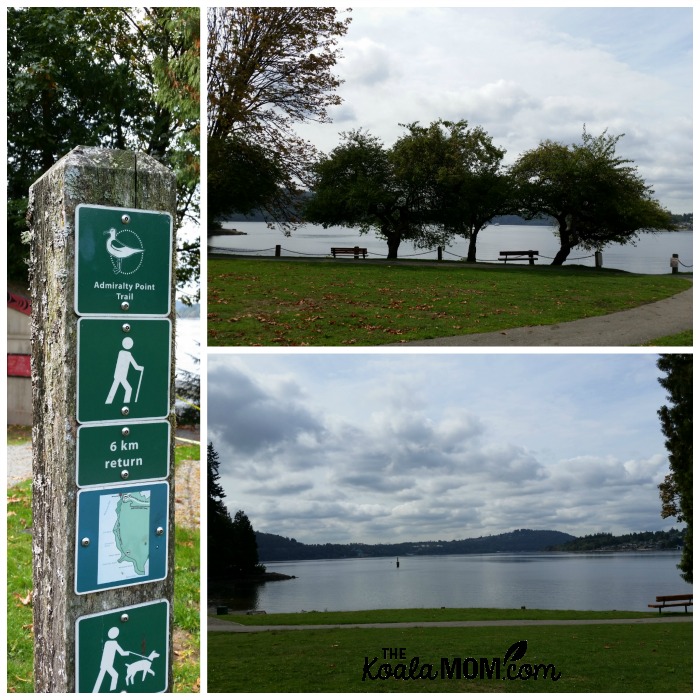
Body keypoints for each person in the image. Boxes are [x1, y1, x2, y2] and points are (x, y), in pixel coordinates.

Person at [106, 337, 144, 404]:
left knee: (122, 389)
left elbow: (135, 366)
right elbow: (134, 366)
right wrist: (140, 368)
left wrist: (140, 368)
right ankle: (122, 402)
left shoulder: (126, 353)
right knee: (126, 389)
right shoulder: (123, 353)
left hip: (121, 376)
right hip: (119, 375)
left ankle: (123, 403)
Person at [93, 626, 130, 692]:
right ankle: (111, 690)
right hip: (108, 664)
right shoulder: (114, 643)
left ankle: (95, 691)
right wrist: (128, 652)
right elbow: (122, 653)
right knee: (114, 675)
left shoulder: (107, 643)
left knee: (102, 677)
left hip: (105, 663)